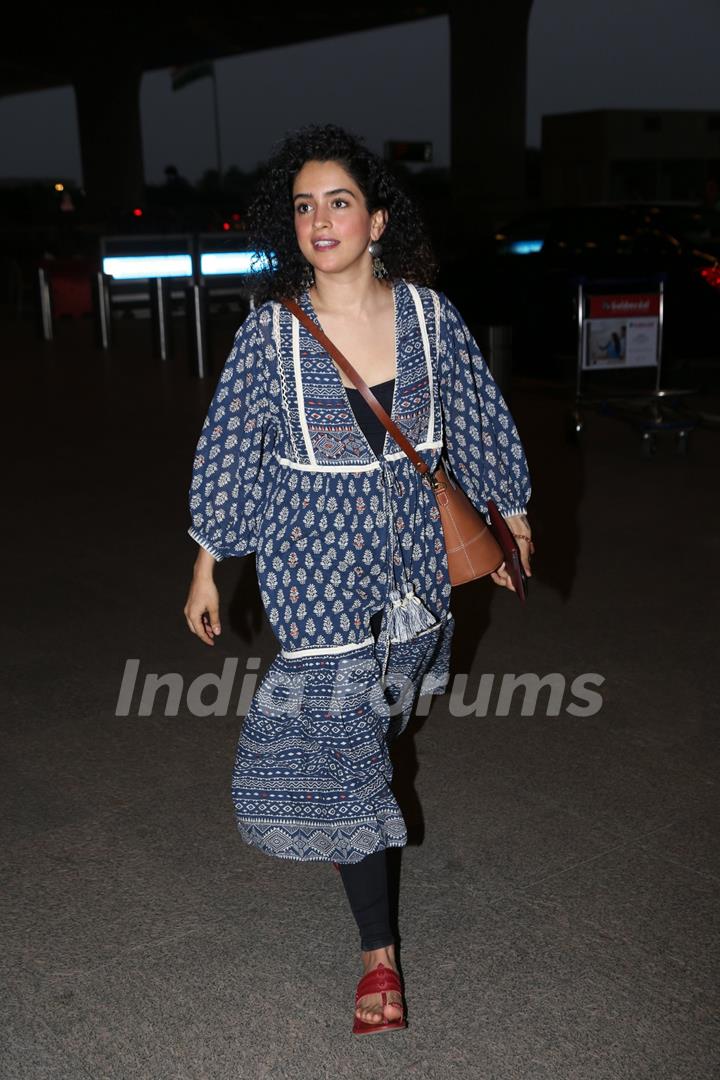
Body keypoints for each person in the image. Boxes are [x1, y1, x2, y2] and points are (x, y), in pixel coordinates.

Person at [183, 124, 532, 1034]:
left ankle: (365, 792)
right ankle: (379, 955)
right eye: (303, 205)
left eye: (339, 201)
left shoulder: (427, 315)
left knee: (390, 714)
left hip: (416, 561)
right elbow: (229, 450)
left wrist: (512, 515)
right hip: (313, 562)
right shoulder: (270, 332)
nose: (319, 218)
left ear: (377, 220)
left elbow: (479, 412)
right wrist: (207, 567)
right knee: (346, 748)